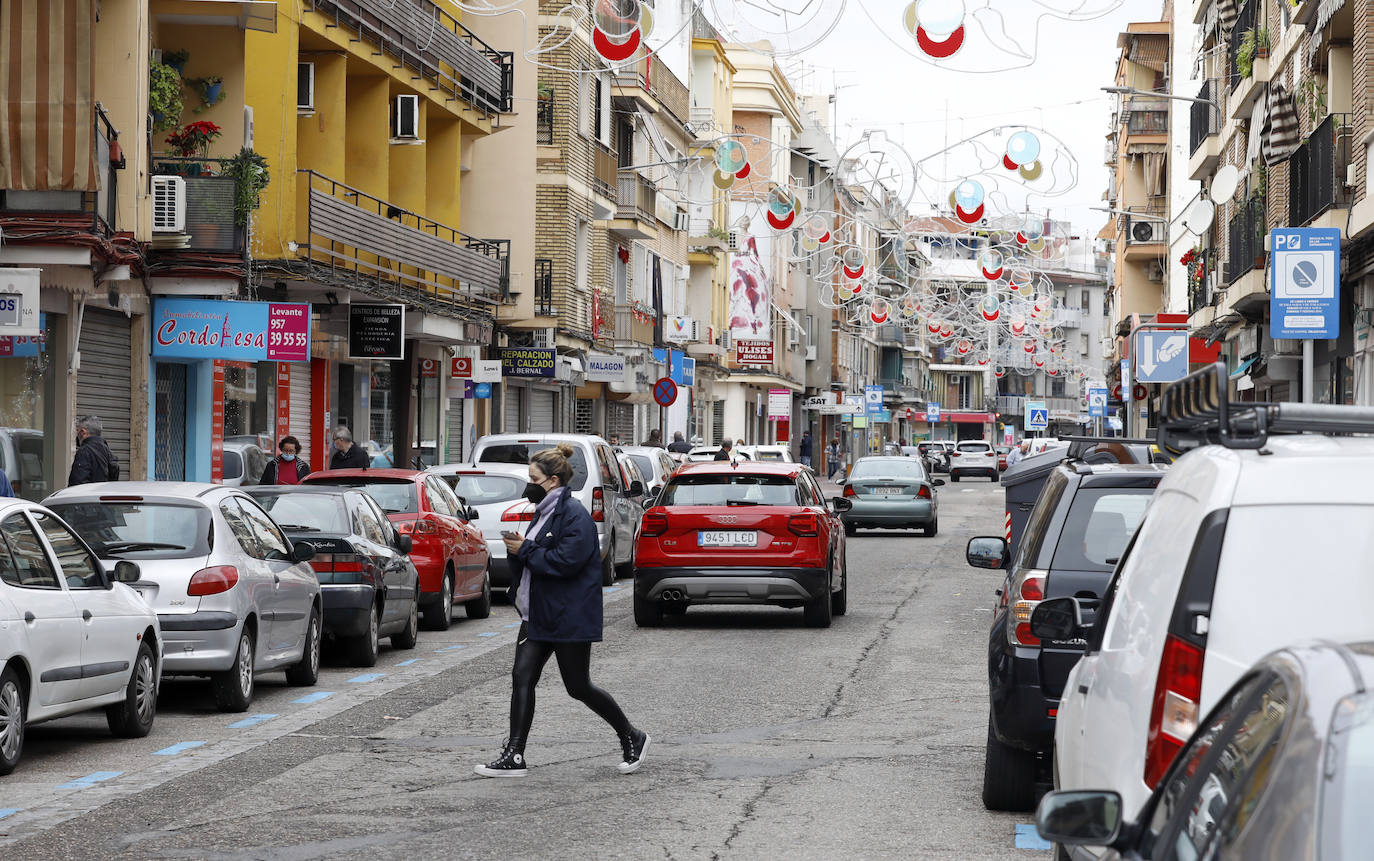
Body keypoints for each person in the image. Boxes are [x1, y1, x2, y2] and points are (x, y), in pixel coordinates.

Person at [476, 443, 648, 778]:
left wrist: (525, 548)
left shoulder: (575, 516)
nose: (529, 484)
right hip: (539, 612)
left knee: (578, 686)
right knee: (522, 677)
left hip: (568, 615)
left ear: (553, 481)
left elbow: (565, 563)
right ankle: (514, 755)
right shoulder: (545, 511)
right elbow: (535, 557)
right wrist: (519, 549)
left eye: (533, 478)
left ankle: (632, 735)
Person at [69, 415, 120, 486]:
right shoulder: (108, 451)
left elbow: (77, 484)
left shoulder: (84, 451)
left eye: (78, 431)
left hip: (88, 496)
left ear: (83, 432)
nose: (77, 435)